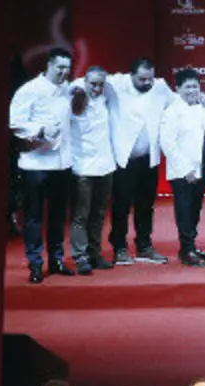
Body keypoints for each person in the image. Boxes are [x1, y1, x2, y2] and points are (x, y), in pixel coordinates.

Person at [9, 47, 75, 284]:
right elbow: (14, 122)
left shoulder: (68, 90)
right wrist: (39, 130)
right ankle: (35, 263)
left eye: (67, 68)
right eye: (60, 67)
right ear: (48, 65)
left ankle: (57, 259)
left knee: (58, 215)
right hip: (35, 163)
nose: (64, 72)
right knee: (34, 216)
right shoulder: (30, 90)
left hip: (62, 163)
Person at [105, 57, 176, 265]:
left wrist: (200, 98)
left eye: (150, 79)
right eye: (142, 79)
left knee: (146, 205)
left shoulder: (160, 87)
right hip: (124, 159)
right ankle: (119, 247)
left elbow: (177, 103)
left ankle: (144, 246)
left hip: (149, 159)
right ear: (131, 75)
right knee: (121, 206)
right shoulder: (116, 84)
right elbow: (87, 81)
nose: (147, 83)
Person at [160, 68, 205, 268]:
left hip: (202, 166)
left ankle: (190, 247)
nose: (192, 90)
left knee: (195, 208)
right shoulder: (172, 111)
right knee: (184, 209)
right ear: (177, 89)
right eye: (187, 87)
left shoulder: (202, 107)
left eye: (195, 86)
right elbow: (167, 143)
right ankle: (187, 249)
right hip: (183, 171)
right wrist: (185, 169)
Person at [69, 65, 117, 274]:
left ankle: (95, 253)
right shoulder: (73, 97)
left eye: (100, 84)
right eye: (92, 84)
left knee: (99, 213)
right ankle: (80, 256)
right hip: (82, 166)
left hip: (105, 165)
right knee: (81, 214)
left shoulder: (107, 98)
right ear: (84, 82)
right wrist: (78, 89)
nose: (96, 88)